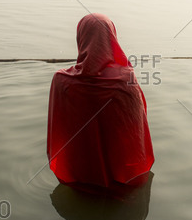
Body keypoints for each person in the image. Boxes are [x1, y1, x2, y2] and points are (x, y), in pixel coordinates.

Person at [46, 13, 155, 189]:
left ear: (81, 38)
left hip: (78, 180)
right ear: (111, 39)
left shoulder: (61, 80)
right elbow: (137, 129)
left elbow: (59, 130)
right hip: (124, 184)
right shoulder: (125, 79)